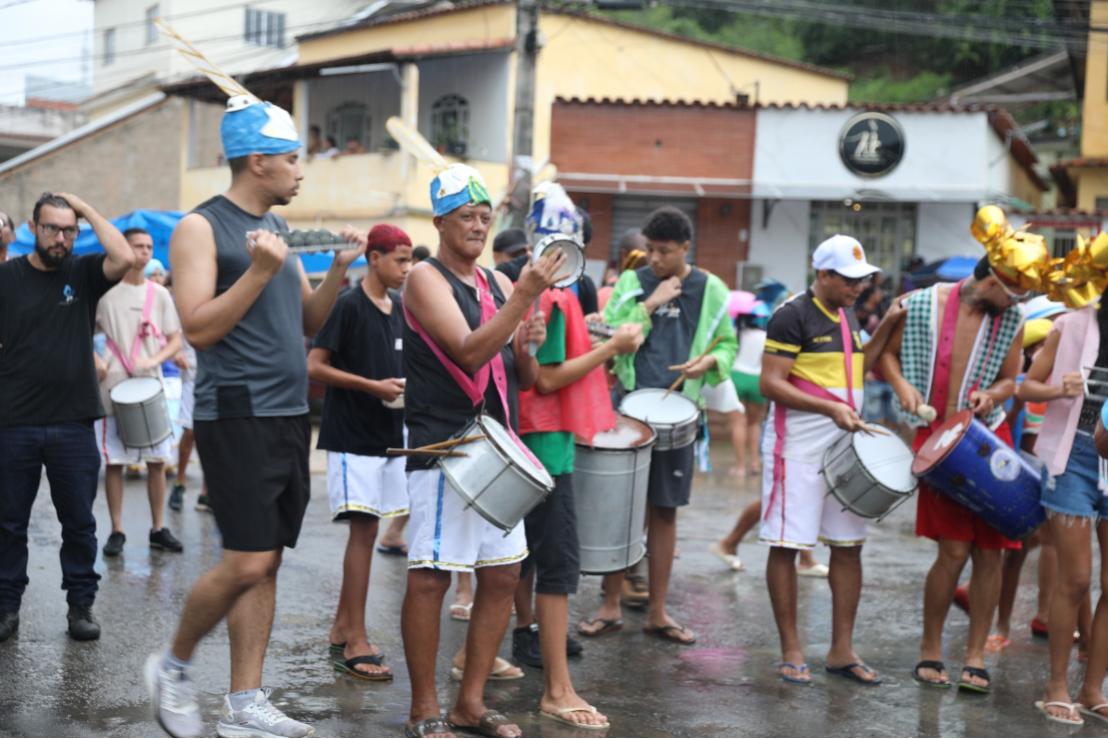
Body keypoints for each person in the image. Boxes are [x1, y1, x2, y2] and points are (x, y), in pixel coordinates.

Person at [145, 95, 365, 738]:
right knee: (244, 561)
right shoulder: (200, 226)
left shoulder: (279, 231)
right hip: (236, 412)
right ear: (259, 160)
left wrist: (339, 273)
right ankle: (173, 666)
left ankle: (245, 704)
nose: (302, 171)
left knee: (265, 562)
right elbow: (198, 328)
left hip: (290, 413)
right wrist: (260, 270)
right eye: (293, 160)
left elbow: (308, 322)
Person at [400, 162, 562, 739]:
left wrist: (528, 347)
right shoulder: (425, 278)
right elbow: (468, 353)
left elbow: (516, 376)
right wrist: (524, 295)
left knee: (502, 574)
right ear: (440, 222)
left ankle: (469, 704)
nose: (478, 226)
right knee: (431, 575)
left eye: (484, 216)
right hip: (446, 444)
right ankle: (424, 710)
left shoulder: (493, 282)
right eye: (466, 217)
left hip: (496, 444)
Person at [508, 187, 643, 730]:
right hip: (544, 445)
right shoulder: (552, 292)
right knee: (558, 567)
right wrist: (612, 348)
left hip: (533, 442)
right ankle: (558, 691)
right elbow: (544, 379)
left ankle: (472, 657)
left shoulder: (530, 286)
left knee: (514, 560)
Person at [580, 206, 737, 645]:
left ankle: (658, 611)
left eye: (664, 251)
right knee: (619, 508)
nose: (654, 259)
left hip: (678, 410)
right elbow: (614, 334)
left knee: (665, 512)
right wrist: (654, 301)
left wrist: (707, 361)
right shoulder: (633, 281)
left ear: (686, 248)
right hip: (626, 409)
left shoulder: (712, 288)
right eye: (649, 250)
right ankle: (610, 606)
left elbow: (727, 344)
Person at [881, 238, 1026, 692]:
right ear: (990, 282)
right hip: (939, 443)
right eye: (1012, 293)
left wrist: (994, 395)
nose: (1016, 304)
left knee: (991, 552)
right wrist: (902, 385)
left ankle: (975, 655)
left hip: (987, 440)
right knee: (953, 550)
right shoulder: (922, 304)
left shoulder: (1012, 318)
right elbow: (885, 354)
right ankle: (930, 649)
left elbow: (1010, 378)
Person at [759, 235, 902, 685]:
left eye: (863, 279)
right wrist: (830, 409)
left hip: (843, 447)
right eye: (851, 279)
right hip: (796, 448)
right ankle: (791, 649)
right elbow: (770, 383)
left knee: (849, 547)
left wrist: (890, 324)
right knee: (787, 545)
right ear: (823, 275)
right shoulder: (791, 315)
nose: (860, 286)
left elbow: (858, 367)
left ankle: (842, 649)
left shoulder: (846, 312)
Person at [0, 191, 135, 643]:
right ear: (33, 230)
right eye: (51, 228)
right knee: (7, 522)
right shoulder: (8, 278)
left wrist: (88, 209)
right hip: (13, 422)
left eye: (68, 230)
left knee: (78, 522)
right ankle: (6, 607)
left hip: (74, 422)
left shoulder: (84, 272)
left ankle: (80, 606)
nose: (60, 238)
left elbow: (125, 255)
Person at [308, 223, 413, 682]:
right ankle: (356, 639)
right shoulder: (349, 304)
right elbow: (314, 365)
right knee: (364, 532)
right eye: (400, 259)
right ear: (374, 257)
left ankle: (341, 626)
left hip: (390, 435)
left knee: (369, 533)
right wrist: (371, 386)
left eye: (410, 260)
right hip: (353, 436)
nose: (407, 269)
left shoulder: (401, 309)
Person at [1017, 299, 1108, 725]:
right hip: (1074, 458)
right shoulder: (1071, 324)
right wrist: (1059, 388)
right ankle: (1056, 684)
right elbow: (1026, 385)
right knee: (1076, 578)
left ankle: (1093, 690)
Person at [93, 227, 184, 557]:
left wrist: (156, 358)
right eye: (138, 247)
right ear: (124, 250)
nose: (145, 252)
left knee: (158, 460)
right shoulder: (105, 293)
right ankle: (117, 530)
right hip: (113, 387)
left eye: (148, 247)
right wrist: (95, 361)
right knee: (114, 462)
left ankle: (158, 527)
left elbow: (174, 338)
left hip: (151, 385)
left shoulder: (159, 295)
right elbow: (79, 331)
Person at [169, 334, 210, 513]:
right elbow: (173, 332)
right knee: (190, 430)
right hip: (192, 372)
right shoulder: (183, 305)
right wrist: (177, 352)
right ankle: (180, 482)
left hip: (218, 373)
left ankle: (207, 492)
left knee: (213, 432)